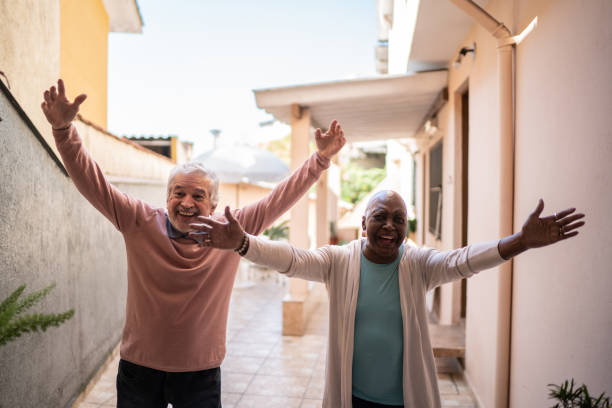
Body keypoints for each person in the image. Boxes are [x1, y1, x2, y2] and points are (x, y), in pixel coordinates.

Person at [40, 79, 346, 408]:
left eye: (197, 195)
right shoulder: (139, 221)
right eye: (179, 193)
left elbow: (279, 199)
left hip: (200, 370)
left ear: (213, 205)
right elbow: (93, 181)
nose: (186, 201)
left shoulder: (231, 231)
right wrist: (63, 130)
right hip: (140, 368)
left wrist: (320, 160)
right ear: (167, 197)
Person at [191, 190, 585, 408]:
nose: (391, 226)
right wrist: (243, 243)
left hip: (406, 400)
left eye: (400, 219)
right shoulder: (338, 261)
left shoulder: (419, 264)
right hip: (352, 399)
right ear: (363, 224)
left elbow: (462, 261)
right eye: (381, 216)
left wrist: (519, 242)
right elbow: (292, 259)